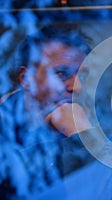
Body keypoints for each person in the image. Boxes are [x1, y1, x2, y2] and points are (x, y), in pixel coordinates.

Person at [0, 23, 95, 198]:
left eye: (82, 76)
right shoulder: (6, 135)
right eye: (61, 73)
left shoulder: (86, 123)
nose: (78, 87)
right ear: (27, 79)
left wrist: (82, 135)